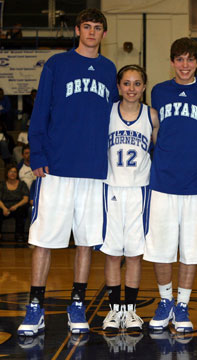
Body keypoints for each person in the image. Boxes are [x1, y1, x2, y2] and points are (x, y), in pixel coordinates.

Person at [17, 8, 119, 336]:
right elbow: (40, 110)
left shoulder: (108, 69)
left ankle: (77, 303)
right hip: (56, 168)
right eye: (86, 26)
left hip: (93, 170)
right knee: (44, 240)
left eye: (97, 27)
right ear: (78, 30)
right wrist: (37, 154)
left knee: (86, 242)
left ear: (104, 33)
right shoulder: (57, 64)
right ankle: (35, 307)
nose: (91, 32)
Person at [143, 37, 197, 333]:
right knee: (160, 248)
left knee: (192, 249)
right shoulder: (160, 91)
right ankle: (165, 302)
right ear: (172, 61)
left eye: (190, 59)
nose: (185, 65)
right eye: (179, 59)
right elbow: (156, 128)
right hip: (162, 181)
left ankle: (183, 304)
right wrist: (167, 154)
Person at [101, 65, 159, 332]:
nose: (132, 88)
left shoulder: (152, 115)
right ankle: (114, 311)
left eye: (137, 83)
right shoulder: (107, 112)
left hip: (140, 190)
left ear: (144, 86)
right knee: (113, 253)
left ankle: (131, 310)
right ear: (118, 86)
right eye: (127, 83)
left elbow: (158, 150)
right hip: (110, 188)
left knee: (134, 253)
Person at [0, 164, 29, 242]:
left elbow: (25, 199)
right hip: (4, 206)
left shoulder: (22, 184)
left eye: (14, 172)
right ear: (6, 173)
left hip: (18, 206)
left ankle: (19, 235)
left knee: (22, 210)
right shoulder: (2, 184)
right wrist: (4, 209)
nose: (12, 173)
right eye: (10, 172)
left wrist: (16, 206)